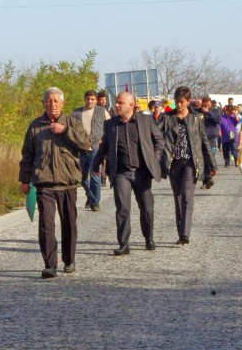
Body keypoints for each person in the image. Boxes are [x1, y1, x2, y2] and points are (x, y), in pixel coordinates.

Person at [19, 87, 90, 278]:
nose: (52, 104)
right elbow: (27, 155)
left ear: (62, 103)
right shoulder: (35, 126)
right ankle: (50, 265)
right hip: (44, 184)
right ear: (43, 103)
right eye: (48, 101)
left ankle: (69, 260)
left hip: (67, 183)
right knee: (46, 225)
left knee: (69, 223)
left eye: (56, 101)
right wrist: (25, 180)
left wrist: (65, 131)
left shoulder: (72, 123)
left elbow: (85, 144)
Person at [92, 91, 164, 255]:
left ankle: (149, 238)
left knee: (147, 207)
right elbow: (104, 147)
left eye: (120, 103)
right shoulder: (110, 124)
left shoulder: (145, 120)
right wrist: (95, 165)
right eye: (116, 102)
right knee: (122, 208)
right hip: (121, 173)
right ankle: (124, 244)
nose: (116, 105)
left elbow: (159, 140)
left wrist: (155, 158)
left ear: (131, 105)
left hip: (142, 172)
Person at [160, 86, 217, 245]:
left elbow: (204, 142)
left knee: (187, 195)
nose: (179, 105)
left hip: (191, 163)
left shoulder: (197, 118)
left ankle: (185, 234)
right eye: (177, 102)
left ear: (188, 101)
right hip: (173, 163)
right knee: (178, 198)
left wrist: (213, 165)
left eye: (182, 102)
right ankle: (181, 233)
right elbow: (156, 137)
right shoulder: (167, 118)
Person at [72, 90, 110, 211]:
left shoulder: (102, 111)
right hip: (81, 149)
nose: (90, 101)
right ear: (84, 99)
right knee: (81, 177)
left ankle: (95, 202)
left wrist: (104, 140)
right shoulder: (76, 112)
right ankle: (90, 194)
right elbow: (71, 130)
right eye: (88, 99)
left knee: (95, 175)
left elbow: (109, 127)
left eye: (92, 99)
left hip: (96, 149)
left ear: (96, 100)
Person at [195, 95, 220, 188]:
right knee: (203, 159)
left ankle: (208, 178)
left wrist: (209, 112)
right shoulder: (197, 112)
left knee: (210, 158)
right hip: (200, 139)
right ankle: (207, 180)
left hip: (211, 138)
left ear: (211, 104)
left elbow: (218, 121)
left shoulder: (215, 111)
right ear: (202, 104)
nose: (206, 107)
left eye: (208, 105)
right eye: (205, 106)